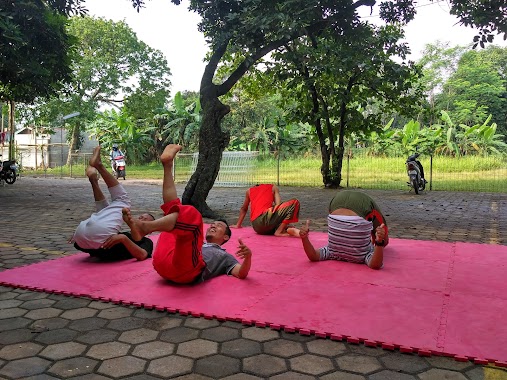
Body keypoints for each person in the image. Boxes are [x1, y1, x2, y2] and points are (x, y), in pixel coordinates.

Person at [122, 144, 253, 284]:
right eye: (213, 223)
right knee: (175, 212)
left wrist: (248, 257)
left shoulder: (225, 256)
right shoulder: (196, 242)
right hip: (163, 263)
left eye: (219, 225)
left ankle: (146, 227)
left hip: (187, 271)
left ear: (226, 237)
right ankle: (167, 165)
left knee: (193, 217)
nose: (213, 225)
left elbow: (241, 273)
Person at [70, 146, 154, 261]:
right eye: (140, 216)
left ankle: (99, 166)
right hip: (84, 238)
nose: (141, 218)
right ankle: (93, 180)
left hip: (89, 239)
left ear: (150, 230)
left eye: (145, 219)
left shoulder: (146, 241)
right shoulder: (120, 232)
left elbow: (143, 255)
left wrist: (123, 238)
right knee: (105, 210)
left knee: (123, 200)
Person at [297, 190, 389, 270]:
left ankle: (377, 236)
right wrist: (379, 242)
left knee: (381, 235)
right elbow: (375, 265)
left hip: (342, 200)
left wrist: (304, 239)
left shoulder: (331, 252)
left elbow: (313, 256)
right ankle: (378, 237)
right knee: (385, 240)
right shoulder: (362, 254)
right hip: (339, 202)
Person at [231, 184, 300, 237]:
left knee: (280, 224)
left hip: (256, 227)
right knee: (295, 203)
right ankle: (280, 231)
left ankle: (289, 229)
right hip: (265, 218)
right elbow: (278, 205)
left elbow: (244, 208)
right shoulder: (273, 187)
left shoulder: (249, 191)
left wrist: (238, 225)